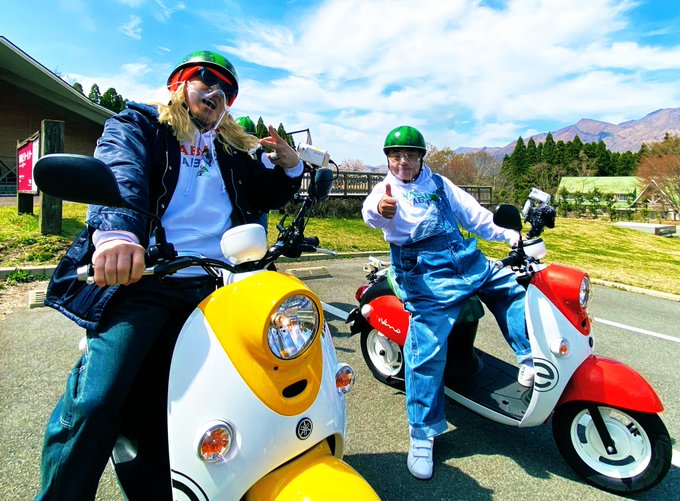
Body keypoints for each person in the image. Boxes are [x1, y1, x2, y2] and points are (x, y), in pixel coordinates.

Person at [37, 50, 304, 500]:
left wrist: (291, 164)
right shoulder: (142, 125)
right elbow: (122, 172)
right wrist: (118, 236)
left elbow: (266, 193)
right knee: (98, 400)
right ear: (178, 84)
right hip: (147, 279)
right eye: (206, 79)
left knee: (267, 375)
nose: (216, 92)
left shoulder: (229, 148)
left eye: (227, 90)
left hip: (221, 284)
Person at [361, 125, 533, 480]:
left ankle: (529, 357)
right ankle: (422, 435)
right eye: (396, 156)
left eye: (410, 155)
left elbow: (475, 216)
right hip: (423, 273)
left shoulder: (439, 184)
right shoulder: (385, 190)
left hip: (465, 259)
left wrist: (512, 237)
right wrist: (381, 210)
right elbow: (370, 214)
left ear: (421, 157)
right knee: (425, 350)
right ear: (388, 159)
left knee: (511, 289)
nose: (403, 162)